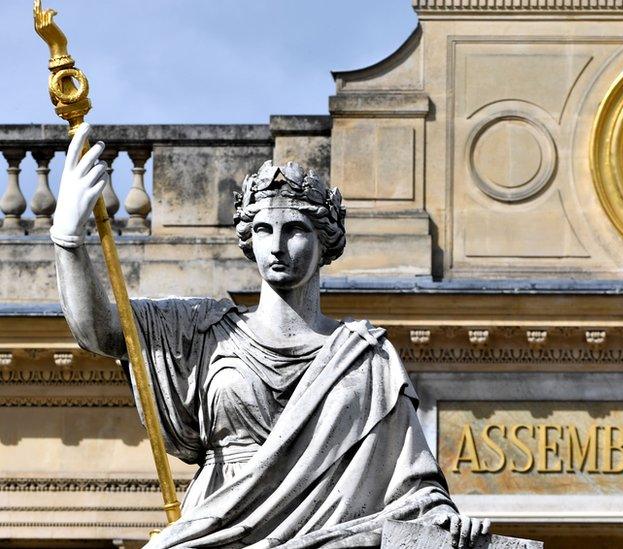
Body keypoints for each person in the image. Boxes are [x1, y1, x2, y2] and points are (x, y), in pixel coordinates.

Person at [53, 123, 489, 548]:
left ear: (324, 241)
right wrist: (69, 238)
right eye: (263, 229)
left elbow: (413, 485)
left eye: (295, 229)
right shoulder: (204, 330)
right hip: (217, 532)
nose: (277, 245)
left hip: (332, 535)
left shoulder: (367, 358)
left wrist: (441, 519)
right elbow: (103, 331)